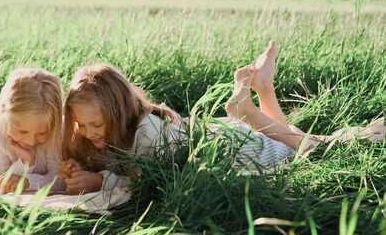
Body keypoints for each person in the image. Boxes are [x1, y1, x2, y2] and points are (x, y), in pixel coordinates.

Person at [59, 42, 385, 194]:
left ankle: (250, 108)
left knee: (320, 149)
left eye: (96, 125)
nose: (88, 132)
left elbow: (149, 182)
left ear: (118, 112)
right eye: (80, 125)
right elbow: (116, 160)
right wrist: (83, 166)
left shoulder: (147, 134)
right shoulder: (119, 129)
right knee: (296, 139)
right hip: (223, 136)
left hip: (237, 153)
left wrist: (99, 181)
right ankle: (263, 91)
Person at [0, 67, 65, 194]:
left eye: (42, 133)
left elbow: (60, 179)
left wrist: (27, 181)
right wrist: (25, 163)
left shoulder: (56, 130)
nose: (31, 142)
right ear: (5, 112)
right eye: (22, 131)